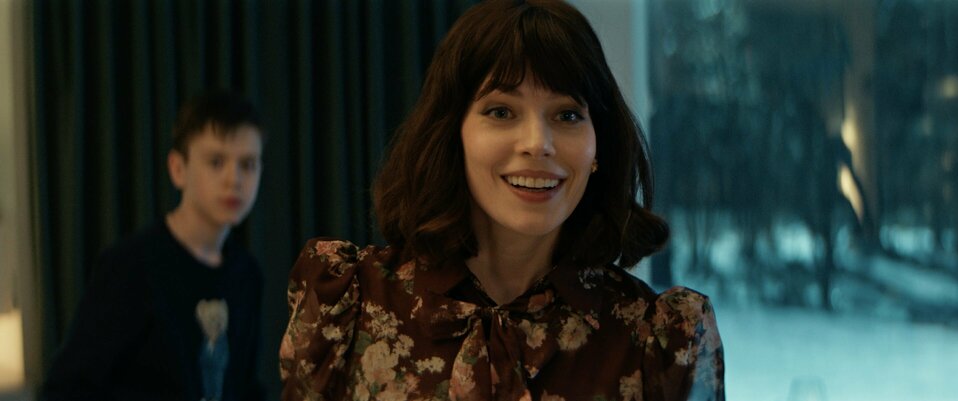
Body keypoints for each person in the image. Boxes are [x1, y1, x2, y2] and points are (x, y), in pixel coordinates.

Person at [279, 0, 724, 399]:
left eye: (567, 114)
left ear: (598, 147)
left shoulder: (660, 342)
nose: (537, 143)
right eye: (501, 111)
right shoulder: (348, 305)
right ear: (452, 134)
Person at [43, 90, 266, 401]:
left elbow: (245, 387)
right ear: (178, 169)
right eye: (216, 162)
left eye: (248, 164)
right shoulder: (130, 267)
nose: (235, 179)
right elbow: (66, 389)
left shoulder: (247, 274)